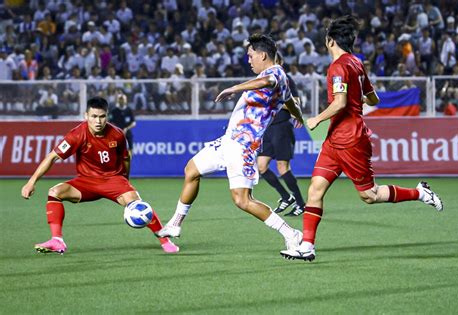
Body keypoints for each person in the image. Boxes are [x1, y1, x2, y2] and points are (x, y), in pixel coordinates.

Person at [280, 15, 443, 262]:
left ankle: (420, 193)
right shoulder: (356, 63)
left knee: (370, 195)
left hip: (351, 139)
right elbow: (374, 98)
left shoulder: (338, 67)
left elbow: (340, 103)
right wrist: (357, 98)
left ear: (330, 40)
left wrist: (316, 119)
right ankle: (307, 246)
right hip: (335, 140)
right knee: (315, 189)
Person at [158, 34, 305, 253]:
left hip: (243, 146)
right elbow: (289, 101)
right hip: (228, 141)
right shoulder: (275, 78)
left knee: (242, 200)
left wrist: (234, 88)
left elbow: (267, 82)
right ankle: (175, 224)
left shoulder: (275, 73)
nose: (249, 60)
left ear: (262, 55)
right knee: (191, 170)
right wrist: (298, 115)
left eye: (251, 55)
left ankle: (291, 234)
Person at [21, 97, 178, 254]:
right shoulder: (76, 135)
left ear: (107, 116)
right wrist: (31, 182)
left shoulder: (117, 135)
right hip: (86, 182)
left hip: (113, 180)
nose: (98, 121)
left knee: (138, 205)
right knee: (55, 192)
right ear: (86, 116)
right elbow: (52, 157)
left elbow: (126, 159)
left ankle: (165, 241)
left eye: (102, 116)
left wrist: (125, 182)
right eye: (94, 116)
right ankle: (57, 241)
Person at [257, 51, 305, 217]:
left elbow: (296, 103)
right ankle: (286, 197)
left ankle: (301, 204)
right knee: (261, 166)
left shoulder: (286, 79)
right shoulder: (265, 81)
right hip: (268, 128)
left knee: (282, 167)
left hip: (282, 127)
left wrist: (277, 103)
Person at [109, 92, 136, 157]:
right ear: (118, 100)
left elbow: (134, 123)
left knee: (130, 147)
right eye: (121, 99)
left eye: (123, 99)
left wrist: (126, 128)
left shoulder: (129, 110)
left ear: (126, 100)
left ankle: (128, 162)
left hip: (127, 131)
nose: (122, 101)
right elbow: (110, 122)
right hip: (117, 133)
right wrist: (118, 129)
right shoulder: (114, 111)